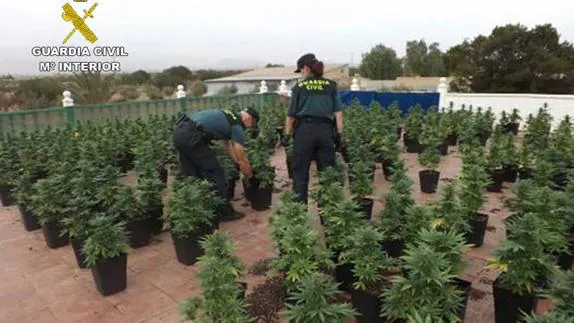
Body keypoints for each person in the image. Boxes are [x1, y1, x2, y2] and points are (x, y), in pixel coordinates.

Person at [172, 106, 259, 221]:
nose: (250, 128)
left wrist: (236, 162)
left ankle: (191, 211)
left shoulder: (229, 116)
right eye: (253, 125)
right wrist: (249, 176)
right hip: (192, 137)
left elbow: (227, 145)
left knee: (192, 174)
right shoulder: (237, 126)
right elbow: (242, 157)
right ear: (250, 119)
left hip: (179, 132)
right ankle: (223, 212)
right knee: (216, 173)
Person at [281, 53, 344, 205]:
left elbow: (291, 116)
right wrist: (340, 134)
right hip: (325, 131)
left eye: (301, 70)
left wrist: (286, 135)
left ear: (307, 68)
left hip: (304, 132)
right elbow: (338, 112)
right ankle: (328, 212)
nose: (301, 74)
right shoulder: (330, 85)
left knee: (300, 173)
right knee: (327, 173)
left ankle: (299, 215)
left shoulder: (299, 87)